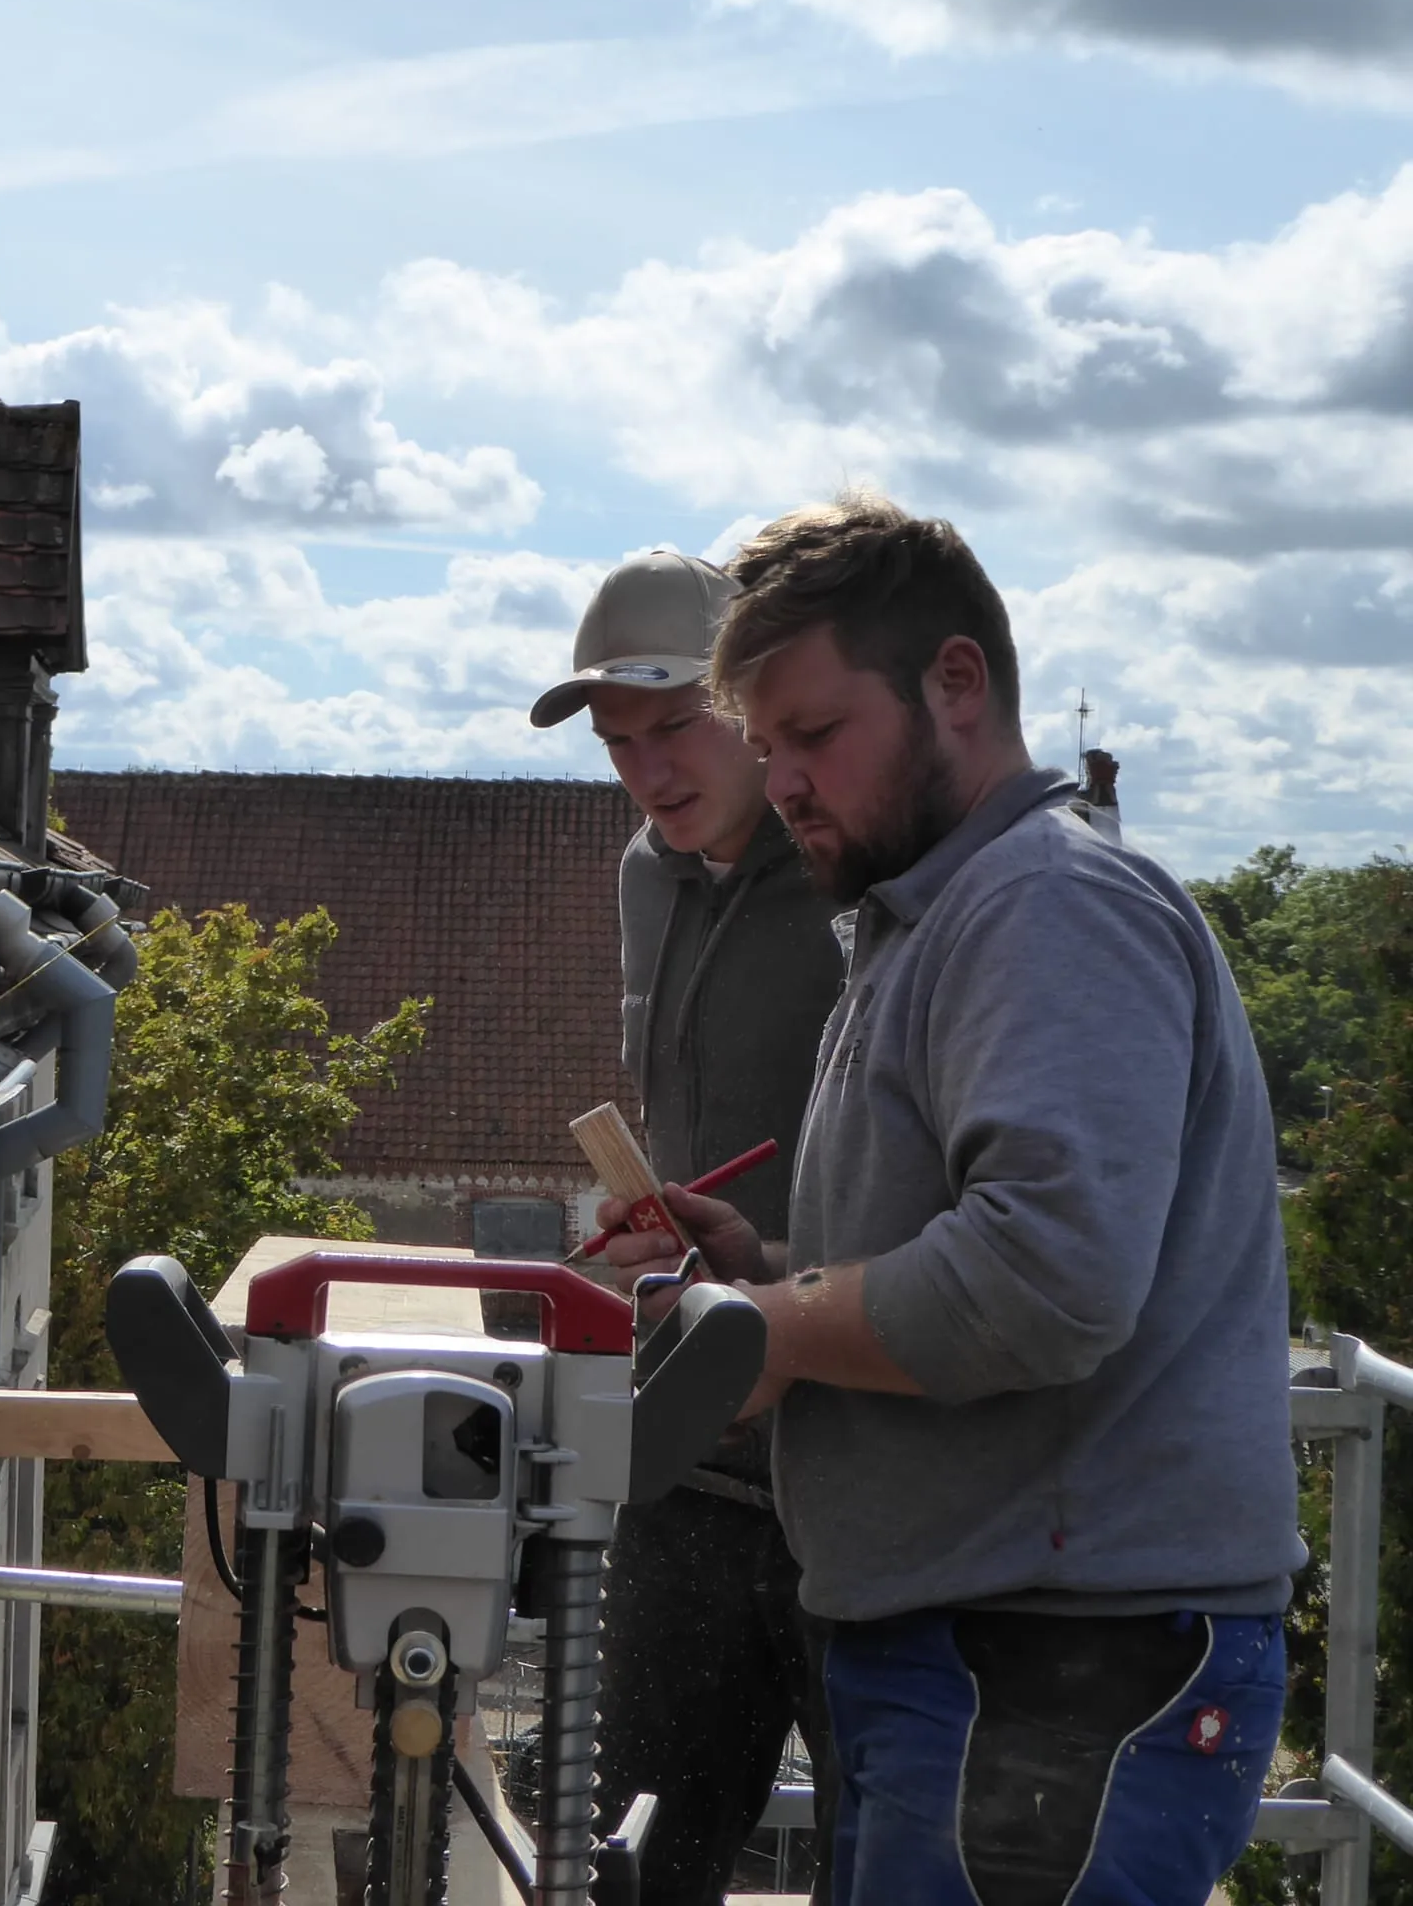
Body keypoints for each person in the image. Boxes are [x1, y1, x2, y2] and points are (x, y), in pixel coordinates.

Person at [601, 496, 1302, 1904]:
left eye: (814, 733)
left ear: (957, 682)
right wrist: (784, 1265)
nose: (783, 777)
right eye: (766, 741)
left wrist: (772, 1326)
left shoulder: (1048, 908)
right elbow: (985, 1249)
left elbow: (1045, 1281)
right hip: (992, 1659)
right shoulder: (939, 919)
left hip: (1063, 1672)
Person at [530, 551, 842, 1904]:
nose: (649, 772)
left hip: (855, 1454)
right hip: (686, 1459)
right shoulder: (644, 880)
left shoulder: (858, 874)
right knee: (631, 1867)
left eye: (674, 727)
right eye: (618, 744)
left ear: (750, 705)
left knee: (887, 1867)